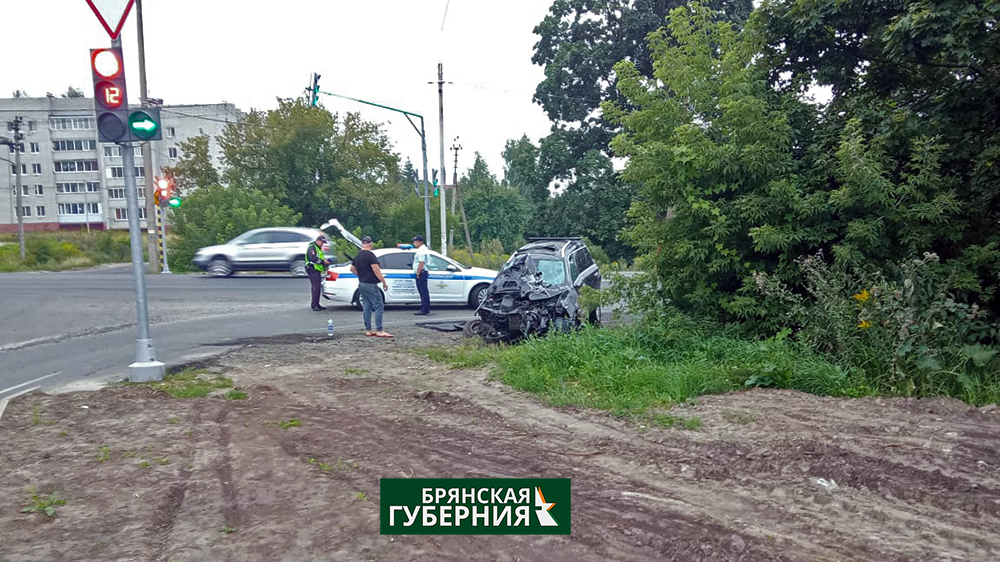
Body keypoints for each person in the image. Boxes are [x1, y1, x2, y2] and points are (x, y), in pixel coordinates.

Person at [351, 236, 393, 337]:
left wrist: (361, 275)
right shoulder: (370, 255)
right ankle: (379, 330)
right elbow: (376, 269)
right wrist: (383, 282)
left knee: (367, 306)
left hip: (361, 284)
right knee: (379, 305)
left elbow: (352, 269)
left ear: (362, 244)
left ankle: (368, 330)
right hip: (371, 284)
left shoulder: (358, 256)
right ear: (370, 244)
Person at [306, 234, 332, 311]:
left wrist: (325, 263)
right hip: (312, 269)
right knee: (316, 287)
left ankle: (316, 304)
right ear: (318, 241)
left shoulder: (317, 248)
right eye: (322, 242)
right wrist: (323, 262)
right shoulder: (312, 247)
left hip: (316, 269)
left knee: (317, 287)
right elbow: (313, 258)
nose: (322, 244)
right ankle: (314, 305)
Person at [412, 234, 431, 316]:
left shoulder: (421, 251)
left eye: (415, 241)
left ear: (419, 242)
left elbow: (421, 262)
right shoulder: (423, 249)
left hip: (421, 272)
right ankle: (425, 308)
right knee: (423, 291)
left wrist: (418, 273)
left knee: (423, 291)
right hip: (423, 272)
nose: (414, 243)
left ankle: (424, 309)